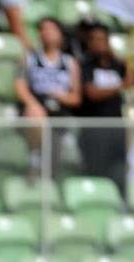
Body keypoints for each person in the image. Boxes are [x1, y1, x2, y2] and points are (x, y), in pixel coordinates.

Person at [14, 17, 79, 179]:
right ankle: (36, 157)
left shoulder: (69, 63)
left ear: (60, 34)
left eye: (52, 29)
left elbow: (76, 97)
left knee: (54, 146)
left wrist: (60, 95)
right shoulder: (29, 59)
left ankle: (45, 172)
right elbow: (19, 85)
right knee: (35, 116)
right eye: (43, 29)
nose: (47, 33)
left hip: (59, 113)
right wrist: (32, 103)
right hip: (37, 109)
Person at [78, 22, 132, 192]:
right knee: (97, 171)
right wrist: (121, 86)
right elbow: (91, 93)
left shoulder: (117, 66)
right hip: (94, 130)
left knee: (120, 170)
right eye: (94, 39)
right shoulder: (85, 65)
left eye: (102, 39)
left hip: (117, 129)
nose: (98, 43)